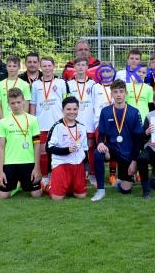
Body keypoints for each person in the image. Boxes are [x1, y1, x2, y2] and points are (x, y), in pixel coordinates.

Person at [92, 79, 144, 201]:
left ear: (126, 93)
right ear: (112, 94)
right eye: (115, 92)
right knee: (97, 153)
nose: (119, 94)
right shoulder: (106, 111)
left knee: (126, 190)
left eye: (121, 91)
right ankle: (100, 190)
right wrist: (100, 143)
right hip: (111, 150)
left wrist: (134, 161)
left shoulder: (134, 112)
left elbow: (138, 139)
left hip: (127, 152)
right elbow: (102, 133)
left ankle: (120, 181)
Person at [29, 56, 69, 191]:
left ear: (54, 66)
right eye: (44, 66)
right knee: (43, 152)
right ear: (41, 67)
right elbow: (33, 105)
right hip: (41, 124)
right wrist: (33, 122)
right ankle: (44, 178)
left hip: (58, 124)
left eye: (49, 66)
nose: (47, 68)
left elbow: (66, 104)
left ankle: (56, 177)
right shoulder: (35, 85)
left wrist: (66, 121)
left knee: (58, 151)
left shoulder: (61, 83)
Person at [0, 87, 41, 199]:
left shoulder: (33, 120)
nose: (16, 105)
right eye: (12, 103)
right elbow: (1, 147)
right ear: (8, 103)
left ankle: (31, 183)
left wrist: (37, 168)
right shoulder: (3, 122)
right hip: (10, 163)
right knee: (2, 196)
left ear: (23, 101)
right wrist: (0, 172)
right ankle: (17, 184)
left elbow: (37, 145)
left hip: (28, 161)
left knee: (36, 194)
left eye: (18, 102)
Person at [46, 96, 88, 201]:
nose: (72, 112)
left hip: (77, 164)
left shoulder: (82, 127)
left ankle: (68, 185)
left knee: (81, 196)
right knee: (57, 198)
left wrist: (86, 168)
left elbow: (85, 149)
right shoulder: (57, 126)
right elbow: (49, 148)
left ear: (78, 110)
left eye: (74, 109)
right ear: (63, 110)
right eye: (68, 109)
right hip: (61, 164)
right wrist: (66, 150)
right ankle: (48, 186)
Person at [66, 57, 97, 185]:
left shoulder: (93, 84)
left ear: (87, 67)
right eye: (78, 65)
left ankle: (92, 174)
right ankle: (77, 173)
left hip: (88, 121)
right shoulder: (68, 84)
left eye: (83, 65)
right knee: (75, 147)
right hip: (75, 121)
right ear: (74, 67)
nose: (80, 67)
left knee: (90, 147)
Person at [91, 61, 117, 186]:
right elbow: (92, 105)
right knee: (100, 149)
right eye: (103, 71)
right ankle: (98, 176)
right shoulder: (95, 87)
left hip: (115, 123)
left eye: (108, 71)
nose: (106, 73)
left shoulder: (117, 87)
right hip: (99, 122)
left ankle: (112, 175)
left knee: (114, 148)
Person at [0, 55, 31, 120]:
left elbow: (26, 105)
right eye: (9, 66)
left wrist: (22, 120)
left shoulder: (25, 85)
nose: (12, 68)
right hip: (5, 120)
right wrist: (2, 121)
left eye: (14, 66)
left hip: (20, 121)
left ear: (19, 67)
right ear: (6, 67)